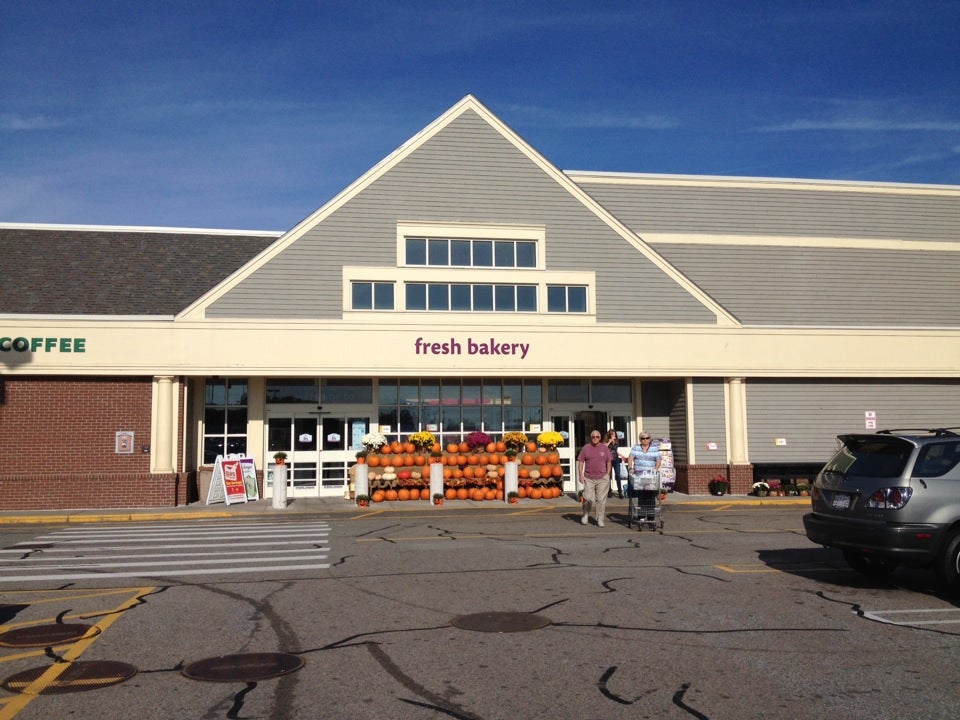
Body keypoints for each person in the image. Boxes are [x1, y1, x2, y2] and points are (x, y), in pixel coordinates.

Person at [577, 429, 612, 527]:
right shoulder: (586, 448)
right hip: (589, 478)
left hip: (602, 478)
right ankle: (585, 515)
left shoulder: (605, 448)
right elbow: (580, 461)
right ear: (590, 438)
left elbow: (609, 461)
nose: (595, 438)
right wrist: (581, 474)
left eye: (597, 437)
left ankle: (600, 519)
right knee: (588, 498)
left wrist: (608, 474)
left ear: (600, 438)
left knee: (601, 500)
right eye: (593, 437)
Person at [604, 429, 623, 498]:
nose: (613, 436)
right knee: (609, 476)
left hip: (616, 460)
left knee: (618, 475)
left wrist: (622, 455)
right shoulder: (606, 441)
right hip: (609, 460)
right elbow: (604, 448)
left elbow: (615, 450)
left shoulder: (616, 441)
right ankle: (609, 491)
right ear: (609, 435)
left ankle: (620, 491)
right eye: (612, 434)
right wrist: (609, 442)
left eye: (614, 434)